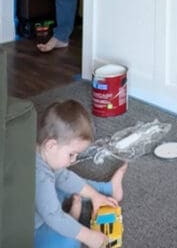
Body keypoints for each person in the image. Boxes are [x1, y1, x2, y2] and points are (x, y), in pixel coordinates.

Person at [35, 99, 127, 248]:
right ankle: (71, 219)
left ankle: (108, 188)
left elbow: (65, 178)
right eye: (71, 154)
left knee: (67, 183)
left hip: (44, 206)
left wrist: (95, 196)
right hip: (35, 227)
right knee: (68, 243)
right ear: (51, 145)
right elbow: (53, 217)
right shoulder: (40, 177)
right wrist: (88, 236)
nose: (73, 160)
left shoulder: (43, 155)